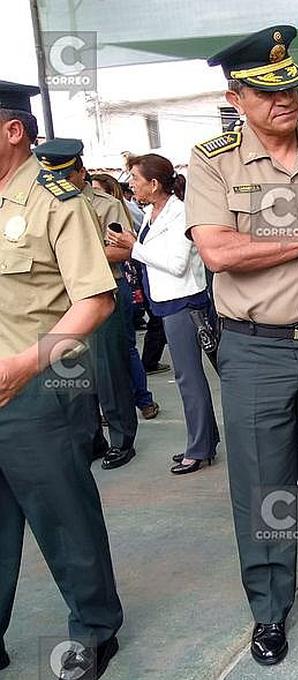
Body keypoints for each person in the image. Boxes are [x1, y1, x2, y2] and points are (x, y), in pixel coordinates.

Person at [185, 24, 298, 666]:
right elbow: (217, 250)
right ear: (236, 97)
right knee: (264, 485)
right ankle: (269, 607)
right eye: (265, 91)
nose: (282, 99)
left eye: (289, 86)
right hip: (253, 348)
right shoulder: (213, 161)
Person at [0, 81, 124, 680]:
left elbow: (94, 301)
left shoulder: (58, 200)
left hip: (38, 391)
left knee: (63, 517)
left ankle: (96, 630)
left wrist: (26, 364)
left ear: (12, 129)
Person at [109, 154, 220, 475]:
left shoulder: (181, 213)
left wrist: (133, 247)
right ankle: (204, 441)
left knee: (190, 379)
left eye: (135, 179)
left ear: (154, 184)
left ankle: (199, 447)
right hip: (167, 302)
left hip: (184, 303)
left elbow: (176, 263)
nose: (131, 184)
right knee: (190, 377)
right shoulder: (151, 213)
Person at [35, 139, 140, 470]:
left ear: (82, 171)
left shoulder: (106, 204)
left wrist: (77, 256)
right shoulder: (46, 204)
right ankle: (90, 437)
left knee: (110, 370)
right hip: (66, 298)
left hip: (105, 291)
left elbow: (125, 250)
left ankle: (122, 440)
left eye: (68, 174)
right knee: (72, 370)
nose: (62, 182)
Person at [91, 172, 160, 421]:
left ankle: (142, 400)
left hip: (113, 284)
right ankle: (100, 415)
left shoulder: (111, 207)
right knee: (80, 357)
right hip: (73, 289)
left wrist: (75, 254)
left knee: (123, 349)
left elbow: (125, 251)